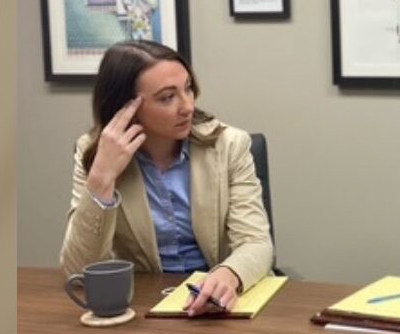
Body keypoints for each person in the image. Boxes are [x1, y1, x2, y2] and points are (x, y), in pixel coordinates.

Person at [60, 40, 274, 316]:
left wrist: (228, 274)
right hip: (141, 307)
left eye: (187, 89)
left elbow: (256, 242)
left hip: (216, 304)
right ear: (126, 107)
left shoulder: (229, 145)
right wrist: (102, 178)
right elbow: (79, 270)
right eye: (167, 97)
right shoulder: (95, 153)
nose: (187, 106)